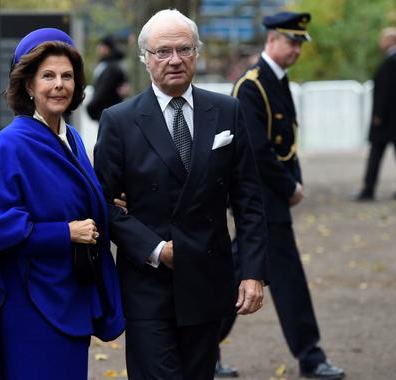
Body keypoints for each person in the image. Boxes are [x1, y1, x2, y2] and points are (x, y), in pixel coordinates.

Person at [94, 9, 268, 380]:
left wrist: (253, 272)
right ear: (145, 58)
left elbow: (249, 200)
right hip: (147, 283)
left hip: (207, 280)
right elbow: (103, 204)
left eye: (184, 49)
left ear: (197, 53)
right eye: (162, 51)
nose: (174, 60)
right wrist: (157, 250)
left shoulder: (226, 112)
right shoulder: (119, 121)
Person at [0, 28, 125, 379]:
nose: (59, 84)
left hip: (71, 296)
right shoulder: (10, 145)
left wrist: (106, 203)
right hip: (30, 305)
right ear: (28, 86)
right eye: (47, 76)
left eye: (67, 76)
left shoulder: (72, 138)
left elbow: (74, 201)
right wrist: (63, 234)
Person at [231, 12, 345, 379]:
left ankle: (202, 349)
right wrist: (290, 187)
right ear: (272, 40)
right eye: (291, 41)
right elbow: (258, 151)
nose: (296, 49)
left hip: (271, 200)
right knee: (288, 279)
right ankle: (310, 356)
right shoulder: (252, 86)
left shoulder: (276, 81)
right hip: (260, 201)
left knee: (231, 276)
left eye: (300, 43)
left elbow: (288, 145)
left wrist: (293, 181)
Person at [356, 27, 396, 201]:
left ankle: (369, 189)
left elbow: (386, 92)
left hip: (387, 119)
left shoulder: (393, 62)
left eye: (383, 38)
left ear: (391, 40)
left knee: (378, 153)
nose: (380, 41)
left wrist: (378, 114)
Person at [86, 35, 129, 121]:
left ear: (107, 48)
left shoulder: (112, 68)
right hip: (108, 112)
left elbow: (104, 90)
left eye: (101, 46)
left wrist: (90, 107)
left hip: (107, 112)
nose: (98, 49)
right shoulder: (109, 65)